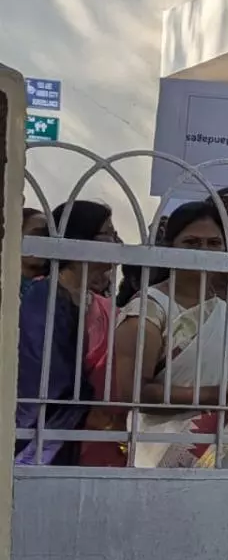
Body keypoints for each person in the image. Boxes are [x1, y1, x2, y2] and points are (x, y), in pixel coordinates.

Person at [112, 201, 228, 469]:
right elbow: (134, 393)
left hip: (225, 452)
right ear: (170, 247)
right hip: (160, 452)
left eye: (213, 243)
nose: (204, 251)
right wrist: (222, 395)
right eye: (192, 242)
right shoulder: (149, 310)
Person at [15, 200, 119, 466]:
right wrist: (85, 409)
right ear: (79, 239)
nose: (116, 242)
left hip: (85, 433)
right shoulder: (42, 296)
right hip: (41, 432)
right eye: (107, 235)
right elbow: (41, 375)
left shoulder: (101, 305)